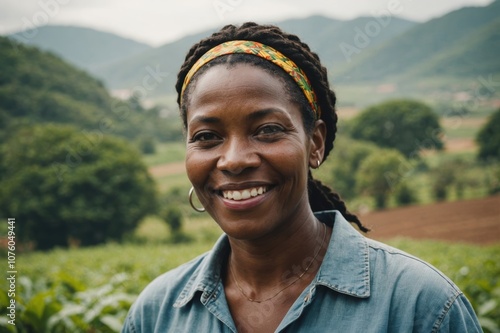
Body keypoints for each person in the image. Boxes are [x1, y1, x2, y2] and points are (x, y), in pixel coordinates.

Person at [122, 22, 481, 332]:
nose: (234, 160)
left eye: (267, 130)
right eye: (207, 137)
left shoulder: (422, 308)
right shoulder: (156, 315)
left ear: (315, 144)